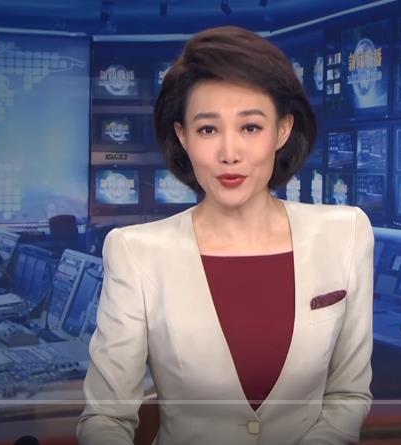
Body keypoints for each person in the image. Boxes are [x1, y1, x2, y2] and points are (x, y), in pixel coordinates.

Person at [77, 26, 374, 445]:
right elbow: (105, 418)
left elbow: (348, 395)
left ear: (282, 130)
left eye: (250, 127)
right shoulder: (136, 252)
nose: (229, 154)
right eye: (208, 130)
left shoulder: (346, 233)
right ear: (182, 136)